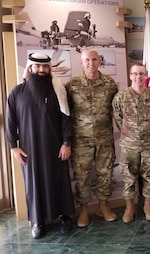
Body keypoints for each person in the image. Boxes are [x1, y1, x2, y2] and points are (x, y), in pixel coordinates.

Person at [6, 53, 74, 239]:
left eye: (45, 67)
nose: (41, 70)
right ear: (30, 68)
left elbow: (66, 118)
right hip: (30, 149)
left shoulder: (58, 91)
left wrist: (67, 143)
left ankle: (65, 217)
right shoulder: (17, 92)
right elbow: (10, 120)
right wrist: (13, 145)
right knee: (34, 184)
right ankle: (39, 221)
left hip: (56, 147)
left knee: (59, 181)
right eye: (37, 67)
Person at [65, 49, 118, 227]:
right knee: (82, 176)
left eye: (94, 59)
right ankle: (84, 211)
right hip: (81, 140)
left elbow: (116, 110)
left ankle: (103, 207)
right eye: (87, 60)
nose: (91, 63)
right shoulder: (72, 85)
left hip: (105, 139)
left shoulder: (110, 84)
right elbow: (66, 113)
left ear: (99, 61)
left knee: (105, 173)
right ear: (81, 62)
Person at [112, 63, 150, 222]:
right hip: (129, 145)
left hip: (149, 144)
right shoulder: (121, 97)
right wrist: (131, 134)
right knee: (128, 177)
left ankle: (148, 205)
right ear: (130, 76)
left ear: (146, 76)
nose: (138, 77)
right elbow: (118, 119)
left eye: (141, 74)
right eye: (135, 74)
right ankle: (129, 207)